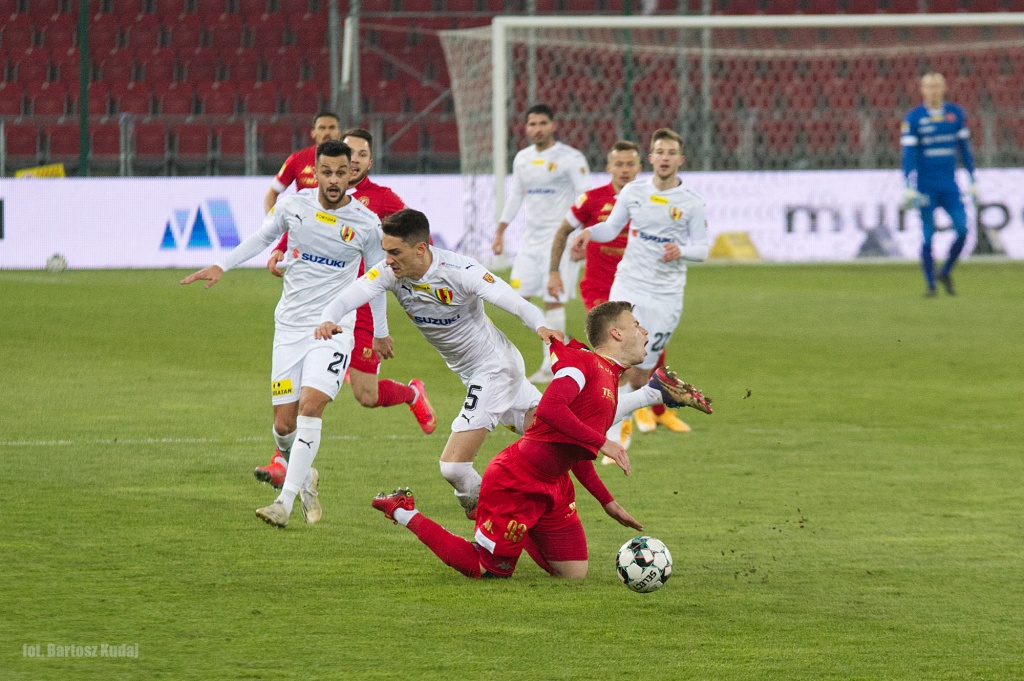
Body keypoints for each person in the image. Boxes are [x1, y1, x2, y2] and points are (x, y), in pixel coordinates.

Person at [367, 301, 712, 580]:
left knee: (573, 573)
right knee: (488, 569)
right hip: (516, 481)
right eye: (637, 325)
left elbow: (573, 451)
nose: (645, 331)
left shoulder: (609, 378)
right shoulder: (583, 365)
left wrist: (607, 501)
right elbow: (548, 407)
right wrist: (604, 442)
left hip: (555, 486)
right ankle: (402, 509)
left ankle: (503, 528)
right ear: (616, 333)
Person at [181, 140, 390, 529]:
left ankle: (285, 502)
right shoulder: (294, 206)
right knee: (283, 426)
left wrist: (379, 333)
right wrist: (221, 265)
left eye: (340, 173)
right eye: (325, 172)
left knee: (311, 407)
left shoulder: (366, 223)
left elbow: (375, 279)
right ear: (315, 171)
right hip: (289, 327)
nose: (332, 180)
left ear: (352, 174)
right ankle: (304, 474)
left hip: (332, 329)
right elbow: (262, 238)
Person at [315, 209, 561, 518]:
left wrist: (541, 327)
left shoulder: (461, 271)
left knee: (454, 467)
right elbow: (348, 297)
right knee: (547, 431)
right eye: (385, 251)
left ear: (420, 249)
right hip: (472, 373)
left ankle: (495, 519)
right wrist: (328, 319)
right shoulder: (390, 272)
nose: (387, 259)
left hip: (495, 367)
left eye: (395, 252)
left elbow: (515, 302)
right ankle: (560, 496)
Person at [254, 127, 434, 490]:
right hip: (312, 308)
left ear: (369, 160)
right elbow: (299, 225)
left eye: (361, 156)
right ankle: (284, 459)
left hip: (361, 309)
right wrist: (281, 248)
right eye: (348, 156)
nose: (353, 163)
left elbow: (416, 237)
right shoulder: (317, 196)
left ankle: (412, 393)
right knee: (299, 394)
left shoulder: (382, 201)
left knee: (366, 396)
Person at [547, 140, 691, 450]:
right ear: (609, 167)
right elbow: (563, 231)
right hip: (603, 289)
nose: (625, 170)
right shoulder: (592, 199)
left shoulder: (649, 198)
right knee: (616, 350)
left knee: (649, 352)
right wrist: (554, 271)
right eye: (619, 164)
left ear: (640, 167)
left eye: (630, 165)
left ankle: (654, 410)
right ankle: (613, 426)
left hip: (646, 288)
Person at [571, 128, 709, 424]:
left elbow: (703, 249)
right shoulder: (635, 192)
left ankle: (646, 403)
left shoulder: (692, 202)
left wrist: (682, 250)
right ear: (651, 157)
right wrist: (588, 232)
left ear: (680, 159)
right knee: (614, 357)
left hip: (665, 293)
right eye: (660, 152)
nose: (665, 158)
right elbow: (609, 228)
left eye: (671, 153)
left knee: (641, 370)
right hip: (629, 282)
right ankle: (610, 432)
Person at [492, 104, 591, 384]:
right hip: (530, 241)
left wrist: (584, 235)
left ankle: (551, 365)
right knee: (517, 301)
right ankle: (565, 343)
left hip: (560, 239)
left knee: (552, 299)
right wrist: (500, 230)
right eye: (532, 124)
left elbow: (586, 196)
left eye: (543, 123)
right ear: (526, 128)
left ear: (553, 126)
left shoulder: (570, 158)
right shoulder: (522, 159)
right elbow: (515, 197)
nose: (537, 129)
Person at [900, 72, 978, 297]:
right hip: (925, 186)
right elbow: (909, 155)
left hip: (950, 186)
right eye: (928, 86)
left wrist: (972, 179)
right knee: (927, 234)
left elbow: (965, 150)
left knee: (963, 230)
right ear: (922, 90)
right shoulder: (914, 118)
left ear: (944, 88)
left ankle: (944, 272)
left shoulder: (955, 115)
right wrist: (908, 184)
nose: (933, 90)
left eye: (937, 86)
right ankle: (930, 285)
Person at [263, 111, 342, 214]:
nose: (327, 132)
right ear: (313, 133)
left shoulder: (351, 161)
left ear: (339, 133)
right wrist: (272, 223)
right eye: (322, 128)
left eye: (332, 128)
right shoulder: (297, 159)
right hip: (304, 225)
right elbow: (272, 194)